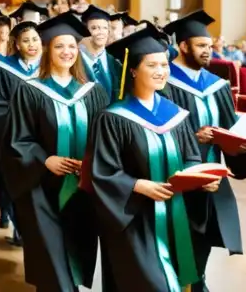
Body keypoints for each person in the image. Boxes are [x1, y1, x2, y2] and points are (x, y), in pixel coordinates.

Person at [91, 26, 214, 292]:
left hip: (175, 214)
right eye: (152, 65)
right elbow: (102, 171)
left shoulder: (177, 115)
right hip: (135, 220)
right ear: (133, 70)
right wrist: (137, 185)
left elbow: (191, 156)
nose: (161, 71)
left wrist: (202, 177)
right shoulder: (113, 118)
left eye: (164, 64)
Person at [1, 13, 110, 291]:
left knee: (72, 259)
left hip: (83, 191)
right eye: (60, 46)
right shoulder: (29, 91)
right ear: (48, 50)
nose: (67, 52)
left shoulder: (93, 92)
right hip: (41, 191)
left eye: (72, 46)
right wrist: (45, 159)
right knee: (52, 266)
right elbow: (16, 141)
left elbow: (105, 140)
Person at [161, 11, 246, 292]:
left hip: (213, 176)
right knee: (179, 236)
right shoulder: (163, 82)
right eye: (201, 46)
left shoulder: (216, 85)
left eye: (210, 46)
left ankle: (196, 281)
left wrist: (239, 144)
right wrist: (193, 138)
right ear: (183, 46)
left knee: (204, 237)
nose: (208, 51)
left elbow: (231, 126)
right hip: (176, 176)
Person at [0, 21, 43, 246]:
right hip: (14, 141)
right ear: (16, 44)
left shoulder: (49, 68)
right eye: (26, 40)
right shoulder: (3, 68)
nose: (32, 45)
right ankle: (20, 228)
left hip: (44, 143)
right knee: (15, 187)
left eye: (35, 39)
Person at [78, 5, 121, 98]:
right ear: (85, 31)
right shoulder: (75, 61)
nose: (100, 32)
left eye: (104, 28)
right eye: (94, 28)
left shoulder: (115, 63)